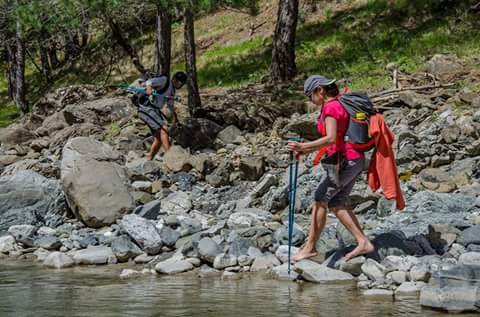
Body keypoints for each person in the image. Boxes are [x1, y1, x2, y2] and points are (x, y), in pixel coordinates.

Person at [287, 75, 375, 262]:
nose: (310, 99)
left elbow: (331, 138)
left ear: (320, 90)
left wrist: (303, 147)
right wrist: (306, 150)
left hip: (346, 160)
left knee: (320, 198)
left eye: (310, 95)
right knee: (337, 202)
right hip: (352, 159)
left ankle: (310, 248)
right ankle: (363, 242)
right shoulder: (337, 105)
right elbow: (334, 139)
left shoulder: (330, 107)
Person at [136, 71, 187, 160]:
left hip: (154, 110)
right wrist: (149, 88)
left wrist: (176, 120)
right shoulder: (164, 81)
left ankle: (149, 159)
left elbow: (170, 107)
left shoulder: (172, 91)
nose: (181, 85)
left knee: (159, 138)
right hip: (146, 107)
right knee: (163, 129)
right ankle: (170, 156)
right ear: (174, 79)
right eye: (180, 83)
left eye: (182, 84)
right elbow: (149, 82)